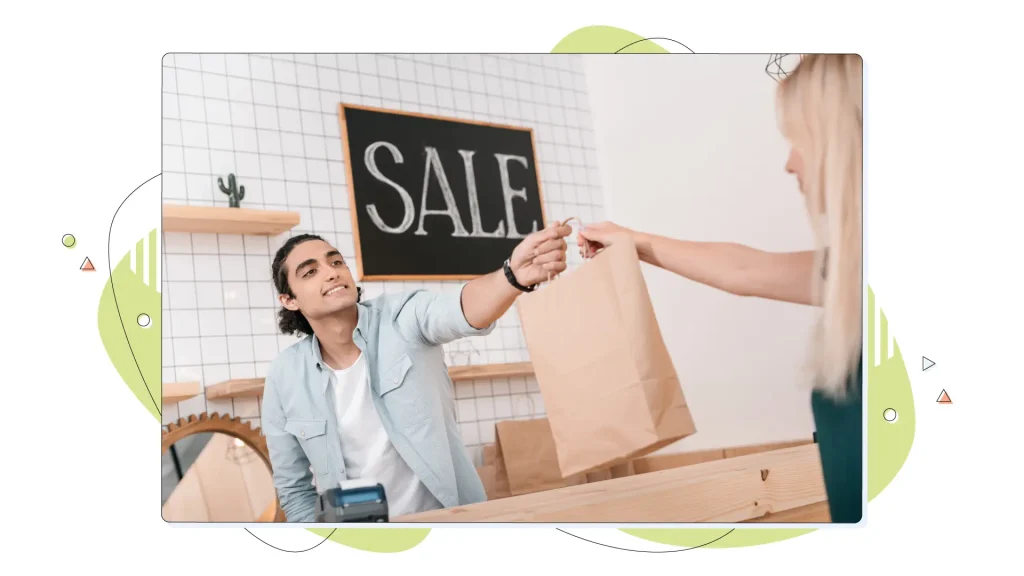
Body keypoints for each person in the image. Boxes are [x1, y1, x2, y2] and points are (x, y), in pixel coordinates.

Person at [577, 54, 863, 523]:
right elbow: (744, 270)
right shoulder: (850, 271)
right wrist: (634, 242)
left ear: (846, 142)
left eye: (801, 140)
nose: (790, 164)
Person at [262, 224, 571, 522]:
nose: (331, 272)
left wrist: (511, 277)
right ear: (289, 300)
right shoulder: (283, 376)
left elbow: (460, 309)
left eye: (336, 261)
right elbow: (293, 487)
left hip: (449, 525)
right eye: (311, 271)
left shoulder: (403, 317)